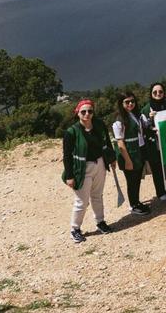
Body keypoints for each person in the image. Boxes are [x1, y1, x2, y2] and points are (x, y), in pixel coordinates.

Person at [62, 99, 117, 243]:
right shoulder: (71, 132)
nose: (87, 114)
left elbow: (107, 142)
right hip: (82, 168)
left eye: (90, 111)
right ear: (77, 113)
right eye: (83, 112)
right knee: (82, 201)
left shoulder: (99, 125)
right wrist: (69, 176)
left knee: (97, 195)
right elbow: (66, 156)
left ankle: (100, 222)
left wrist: (112, 158)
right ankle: (75, 229)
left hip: (100, 164)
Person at [112, 93, 151, 216]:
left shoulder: (135, 115)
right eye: (127, 102)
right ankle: (133, 205)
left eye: (132, 101)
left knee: (137, 178)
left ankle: (137, 201)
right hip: (129, 153)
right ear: (121, 104)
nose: (130, 104)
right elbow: (120, 143)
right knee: (131, 180)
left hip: (138, 150)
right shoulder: (119, 120)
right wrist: (127, 160)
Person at [141, 82, 166, 201]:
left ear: (164, 93)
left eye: (160, 91)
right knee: (157, 168)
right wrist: (150, 119)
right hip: (153, 144)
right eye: (155, 92)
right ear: (151, 93)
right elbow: (143, 128)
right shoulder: (146, 109)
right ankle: (161, 192)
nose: (158, 94)